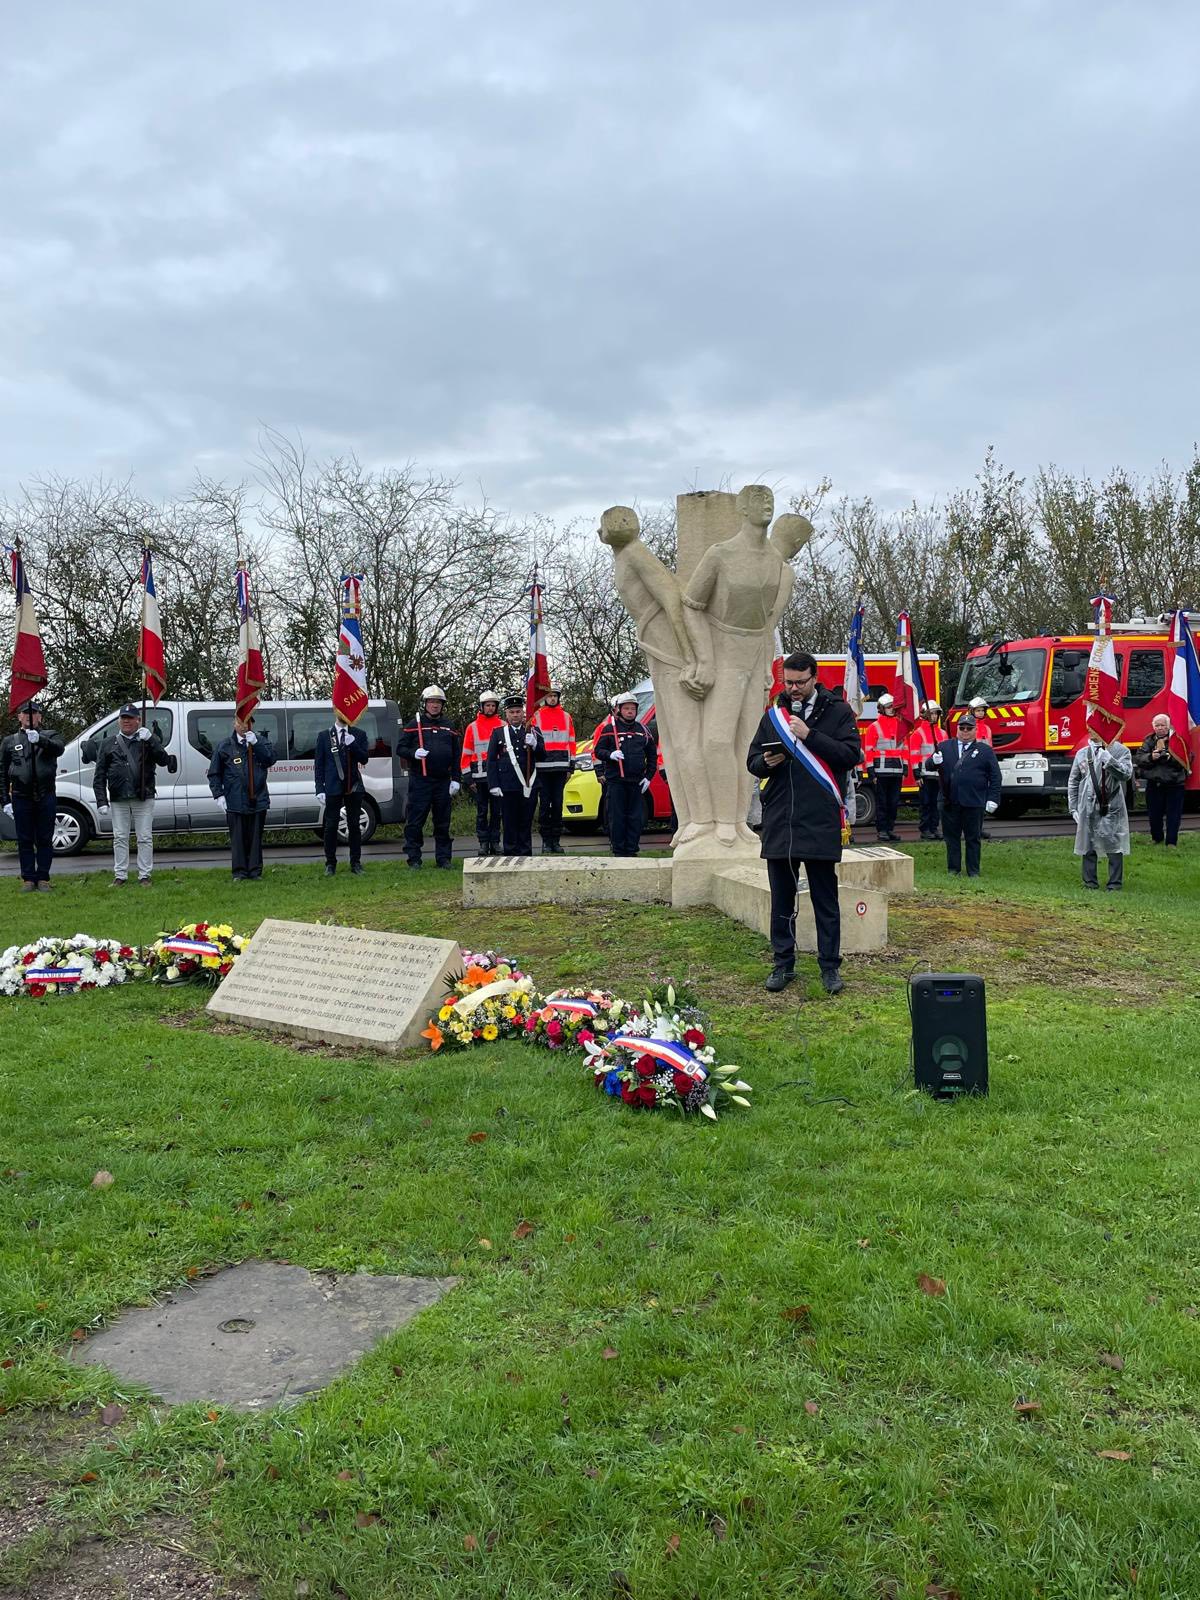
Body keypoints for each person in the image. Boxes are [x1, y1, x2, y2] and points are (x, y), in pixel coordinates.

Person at [747, 651, 862, 995]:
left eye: (800, 682)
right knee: (782, 900)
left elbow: (850, 755)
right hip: (781, 820)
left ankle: (830, 967)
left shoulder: (839, 711)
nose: (794, 689)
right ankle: (783, 964)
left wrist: (810, 736)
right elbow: (752, 760)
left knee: (825, 900)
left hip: (820, 820)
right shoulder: (774, 715)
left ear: (814, 678)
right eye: (789, 682)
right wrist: (765, 761)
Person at [93, 703, 171, 887]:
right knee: (120, 837)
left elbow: (164, 760)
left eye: (130, 719)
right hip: (119, 797)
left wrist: (152, 740)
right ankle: (120, 875)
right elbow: (100, 774)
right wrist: (101, 800)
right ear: (119, 721)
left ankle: (145, 875)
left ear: (138, 720)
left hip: (143, 796)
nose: (126, 722)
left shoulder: (147, 740)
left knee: (144, 837)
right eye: (123, 719)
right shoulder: (107, 743)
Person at [0, 699, 65, 892]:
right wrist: (5, 800)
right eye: (25, 713)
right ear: (19, 716)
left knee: (45, 838)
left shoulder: (50, 735)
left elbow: (59, 748)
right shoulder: (9, 741)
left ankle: (43, 877)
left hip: (46, 795)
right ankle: (28, 878)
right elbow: (2, 772)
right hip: (21, 796)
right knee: (25, 839)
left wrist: (40, 740)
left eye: (34, 713)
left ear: (40, 717)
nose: (30, 716)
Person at [396, 686, 461, 869]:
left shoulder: (449, 726)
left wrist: (456, 779)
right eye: (432, 702)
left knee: (442, 822)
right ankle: (414, 858)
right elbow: (400, 749)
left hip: (443, 781)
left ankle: (443, 859)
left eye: (438, 702)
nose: (435, 705)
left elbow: (457, 755)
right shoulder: (413, 725)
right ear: (425, 704)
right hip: (420, 781)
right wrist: (413, 752)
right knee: (415, 822)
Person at [207, 712, 278, 880]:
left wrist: (257, 743)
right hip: (235, 799)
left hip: (258, 798)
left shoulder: (261, 742)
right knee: (238, 839)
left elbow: (270, 759)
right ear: (234, 723)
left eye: (248, 722)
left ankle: (254, 871)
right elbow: (214, 773)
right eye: (240, 722)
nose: (244, 725)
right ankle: (239, 872)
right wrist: (218, 795)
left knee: (255, 838)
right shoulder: (224, 746)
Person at [933, 713, 1001, 878]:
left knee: (973, 838)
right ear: (957, 729)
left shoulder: (985, 751)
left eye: (969, 728)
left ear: (975, 730)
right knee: (952, 838)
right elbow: (929, 764)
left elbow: (995, 776)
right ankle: (953, 870)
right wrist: (933, 760)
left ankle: (973, 871)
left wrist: (993, 799)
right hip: (950, 800)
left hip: (974, 801)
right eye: (961, 728)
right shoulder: (944, 746)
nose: (965, 731)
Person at [594, 691, 658, 857]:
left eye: (633, 708)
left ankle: (632, 849)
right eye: (626, 708)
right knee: (617, 817)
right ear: (619, 710)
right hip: (616, 781)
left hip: (636, 782)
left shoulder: (643, 730)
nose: (630, 711)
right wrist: (610, 755)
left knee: (635, 818)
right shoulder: (610, 729)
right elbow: (598, 751)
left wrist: (648, 777)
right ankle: (619, 850)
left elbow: (652, 756)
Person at [1068, 727, 1133, 890]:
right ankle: (1089, 882)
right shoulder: (1082, 753)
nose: (1094, 732)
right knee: (1088, 844)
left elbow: (1126, 774)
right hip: (1087, 805)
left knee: (1114, 843)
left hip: (1111, 805)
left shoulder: (1121, 751)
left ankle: (1114, 883)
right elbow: (1073, 781)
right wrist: (1073, 807)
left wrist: (1109, 760)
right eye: (1091, 728)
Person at [486, 693, 544, 855]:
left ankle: (525, 853)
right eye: (512, 712)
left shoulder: (533, 731)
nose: (515, 715)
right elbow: (491, 760)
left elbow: (543, 755)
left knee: (526, 822)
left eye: (518, 711)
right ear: (506, 714)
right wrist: (494, 784)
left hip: (528, 784)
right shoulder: (498, 733)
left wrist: (535, 745)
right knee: (509, 821)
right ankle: (510, 853)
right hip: (507, 784)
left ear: (523, 712)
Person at [314, 711, 370, 875]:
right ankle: (330, 864)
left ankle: (356, 863)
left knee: (354, 825)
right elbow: (319, 764)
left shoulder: (359, 734)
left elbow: (364, 759)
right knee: (331, 826)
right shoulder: (324, 736)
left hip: (353, 786)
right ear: (335, 712)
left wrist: (353, 744)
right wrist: (319, 788)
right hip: (332, 787)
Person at [531, 684, 576, 854]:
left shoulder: (566, 717)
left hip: (560, 768)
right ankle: (545, 841)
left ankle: (556, 841)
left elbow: (571, 742)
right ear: (544, 698)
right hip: (542, 768)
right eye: (549, 696)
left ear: (558, 697)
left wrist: (571, 766)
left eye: (554, 696)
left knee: (557, 805)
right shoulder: (536, 716)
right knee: (544, 807)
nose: (552, 699)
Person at [460, 690, 503, 855]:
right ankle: (483, 843)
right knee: (482, 812)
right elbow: (466, 753)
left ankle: (495, 842)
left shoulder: (503, 725)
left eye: (493, 705)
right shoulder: (472, 727)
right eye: (487, 705)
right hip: (478, 778)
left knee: (497, 812)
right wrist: (468, 777)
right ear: (482, 707)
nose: (490, 708)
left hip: (497, 778)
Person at [1135, 713, 1187, 847]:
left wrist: (1170, 757)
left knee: (1173, 815)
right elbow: (1139, 758)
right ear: (1153, 727)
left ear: (1168, 726)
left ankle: (1171, 842)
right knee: (1154, 814)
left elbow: (1187, 760)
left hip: (1174, 783)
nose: (1160, 728)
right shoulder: (1148, 740)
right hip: (1154, 783)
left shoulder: (1177, 740)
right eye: (1157, 725)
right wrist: (1151, 757)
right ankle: (1156, 838)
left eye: (1163, 725)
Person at [862, 691, 905, 842]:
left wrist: (905, 767)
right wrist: (871, 772)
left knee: (893, 803)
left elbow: (903, 748)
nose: (892, 709)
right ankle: (882, 831)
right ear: (881, 708)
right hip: (881, 772)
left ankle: (890, 829)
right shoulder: (874, 727)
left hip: (897, 771)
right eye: (888, 707)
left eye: (893, 707)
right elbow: (868, 750)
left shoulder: (900, 725)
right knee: (882, 803)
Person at [908, 699, 943, 841]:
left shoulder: (943, 733)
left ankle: (934, 828)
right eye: (931, 714)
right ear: (925, 715)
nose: (934, 716)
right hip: (925, 775)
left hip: (939, 775)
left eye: (936, 714)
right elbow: (914, 756)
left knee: (936, 804)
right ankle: (925, 830)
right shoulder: (918, 734)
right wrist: (917, 775)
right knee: (926, 804)